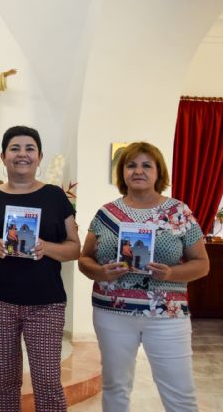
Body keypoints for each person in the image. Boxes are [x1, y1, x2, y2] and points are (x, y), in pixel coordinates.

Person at [78, 142, 209, 412]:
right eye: (131, 165)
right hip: (112, 313)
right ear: (122, 172)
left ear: (159, 172)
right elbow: (84, 259)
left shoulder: (178, 213)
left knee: (180, 394)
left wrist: (171, 273)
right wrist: (100, 271)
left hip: (167, 315)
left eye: (146, 165)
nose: (138, 170)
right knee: (115, 387)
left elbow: (202, 264)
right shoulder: (106, 214)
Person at [0, 126, 80, 412]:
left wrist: (46, 248)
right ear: (3, 156)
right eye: (15, 148)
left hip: (46, 303)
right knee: (4, 382)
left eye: (30, 148)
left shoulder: (54, 196)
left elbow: (74, 247)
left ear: (40, 157)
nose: (22, 154)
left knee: (47, 382)